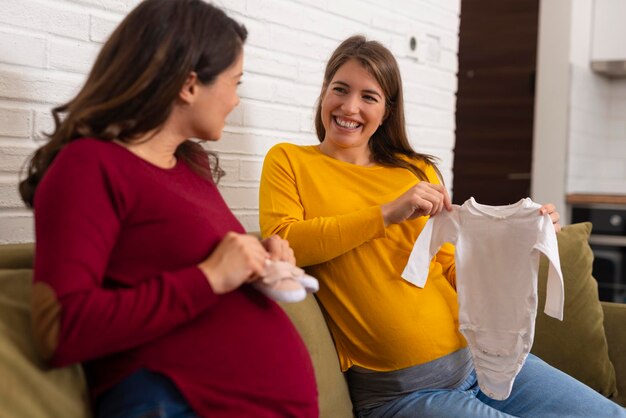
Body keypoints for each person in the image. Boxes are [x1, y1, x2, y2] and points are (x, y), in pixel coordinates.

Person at [259, 35, 626, 418]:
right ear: (323, 92)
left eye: (369, 97)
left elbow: (455, 268)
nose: (350, 107)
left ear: (386, 111)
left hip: (481, 363)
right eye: (340, 89)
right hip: (401, 395)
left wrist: (522, 240)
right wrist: (386, 214)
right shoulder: (289, 161)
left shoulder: (415, 170)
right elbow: (285, 242)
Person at [19, 1, 318, 417]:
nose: (235, 100)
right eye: (235, 82)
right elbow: (60, 329)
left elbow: (190, 268)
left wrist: (258, 264)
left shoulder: (190, 167)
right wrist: (210, 276)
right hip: (171, 401)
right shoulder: (88, 166)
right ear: (190, 85)